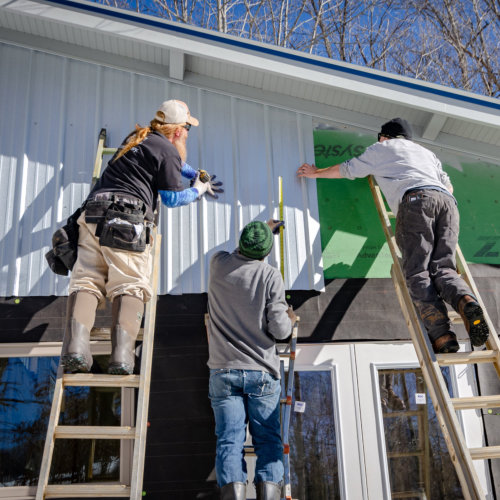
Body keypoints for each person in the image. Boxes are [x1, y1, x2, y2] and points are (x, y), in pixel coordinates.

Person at [297, 117, 489, 354]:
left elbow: (349, 169)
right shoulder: (426, 153)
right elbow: (448, 188)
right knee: (444, 268)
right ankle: (466, 301)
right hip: (448, 204)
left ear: (384, 136)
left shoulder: (383, 148)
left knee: (418, 271)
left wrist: (316, 173)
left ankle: (443, 337)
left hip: (417, 201)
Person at [61, 99, 222, 375]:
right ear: (178, 132)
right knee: (130, 284)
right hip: (126, 220)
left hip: (92, 214)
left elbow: (171, 162)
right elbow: (171, 198)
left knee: (87, 280)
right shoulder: (168, 151)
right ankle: (122, 358)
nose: (187, 135)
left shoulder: (137, 138)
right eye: (187, 130)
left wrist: (194, 173)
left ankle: (76, 350)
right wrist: (197, 189)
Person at [207, 220, 296, 500]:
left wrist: (262, 232)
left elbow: (238, 253)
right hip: (261, 372)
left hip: (224, 371)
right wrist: (290, 319)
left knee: (229, 441)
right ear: (266, 252)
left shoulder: (218, 264)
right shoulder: (270, 275)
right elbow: (280, 331)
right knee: (268, 442)